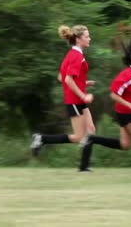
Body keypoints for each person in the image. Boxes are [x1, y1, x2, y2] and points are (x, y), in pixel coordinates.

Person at [78, 40, 131, 175]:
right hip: (125, 112)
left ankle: (92, 139)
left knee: (125, 145)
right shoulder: (127, 75)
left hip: (130, 112)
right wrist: (130, 105)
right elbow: (113, 95)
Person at [31, 25, 96, 159]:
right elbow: (67, 79)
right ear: (78, 39)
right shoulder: (76, 56)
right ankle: (41, 139)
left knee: (91, 130)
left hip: (78, 99)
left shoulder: (72, 54)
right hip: (75, 100)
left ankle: (84, 168)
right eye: (87, 36)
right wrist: (83, 95)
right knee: (79, 137)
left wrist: (83, 84)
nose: (90, 38)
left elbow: (61, 77)